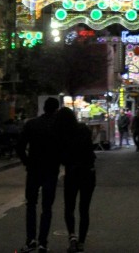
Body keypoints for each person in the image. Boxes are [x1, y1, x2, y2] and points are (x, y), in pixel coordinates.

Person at [16, 96, 62, 252]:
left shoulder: (32, 124)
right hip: (51, 169)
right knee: (47, 207)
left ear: (44, 108)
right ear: (56, 109)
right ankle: (43, 242)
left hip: (34, 168)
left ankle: (31, 240)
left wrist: (27, 162)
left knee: (31, 204)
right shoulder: (58, 127)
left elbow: (20, 146)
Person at [54, 107, 96, 253]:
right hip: (88, 172)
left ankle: (72, 236)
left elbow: (60, 156)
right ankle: (81, 242)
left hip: (72, 173)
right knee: (84, 208)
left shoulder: (61, 135)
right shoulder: (84, 129)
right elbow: (90, 149)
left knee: (69, 207)